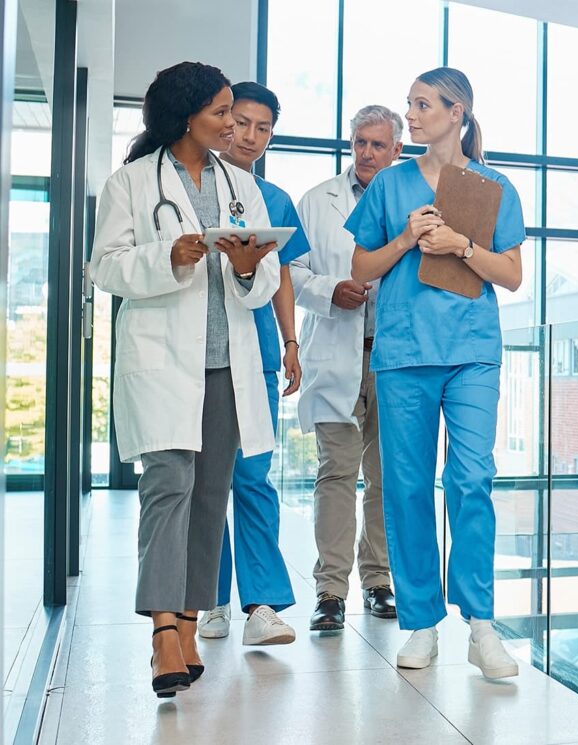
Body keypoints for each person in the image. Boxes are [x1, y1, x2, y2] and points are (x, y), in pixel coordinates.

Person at [91, 62, 280, 697]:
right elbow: (105, 268)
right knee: (167, 484)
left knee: (210, 493)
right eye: (223, 113)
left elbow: (268, 280)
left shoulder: (240, 185)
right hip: (164, 361)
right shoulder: (132, 183)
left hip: (227, 365)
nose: (234, 125)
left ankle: (192, 621)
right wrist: (163, 257)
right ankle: (162, 631)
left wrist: (251, 266)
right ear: (186, 115)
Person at [346, 67, 524, 679]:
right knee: (407, 489)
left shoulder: (495, 185)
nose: (412, 116)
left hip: (473, 350)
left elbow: (511, 274)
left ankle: (480, 624)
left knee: (472, 479)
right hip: (402, 354)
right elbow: (363, 264)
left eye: (423, 105)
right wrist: (405, 239)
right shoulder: (391, 185)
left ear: (458, 112)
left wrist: (460, 247)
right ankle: (422, 622)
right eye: (410, 105)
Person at [196, 81, 311, 646]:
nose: (250, 136)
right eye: (240, 122)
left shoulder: (274, 199)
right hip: (195, 352)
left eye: (263, 128)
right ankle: (211, 598)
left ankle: (261, 605)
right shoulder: (187, 189)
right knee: (204, 478)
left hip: (257, 350)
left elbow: (284, 275)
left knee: (252, 475)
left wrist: (290, 343)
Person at [293, 105, 403, 630]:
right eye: (360, 142)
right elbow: (288, 272)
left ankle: (378, 581)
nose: (366, 153)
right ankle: (330, 591)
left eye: (378, 145)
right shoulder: (317, 202)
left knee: (385, 478)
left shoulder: (413, 200)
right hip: (337, 354)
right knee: (336, 473)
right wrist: (326, 289)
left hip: (395, 361)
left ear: (397, 150)